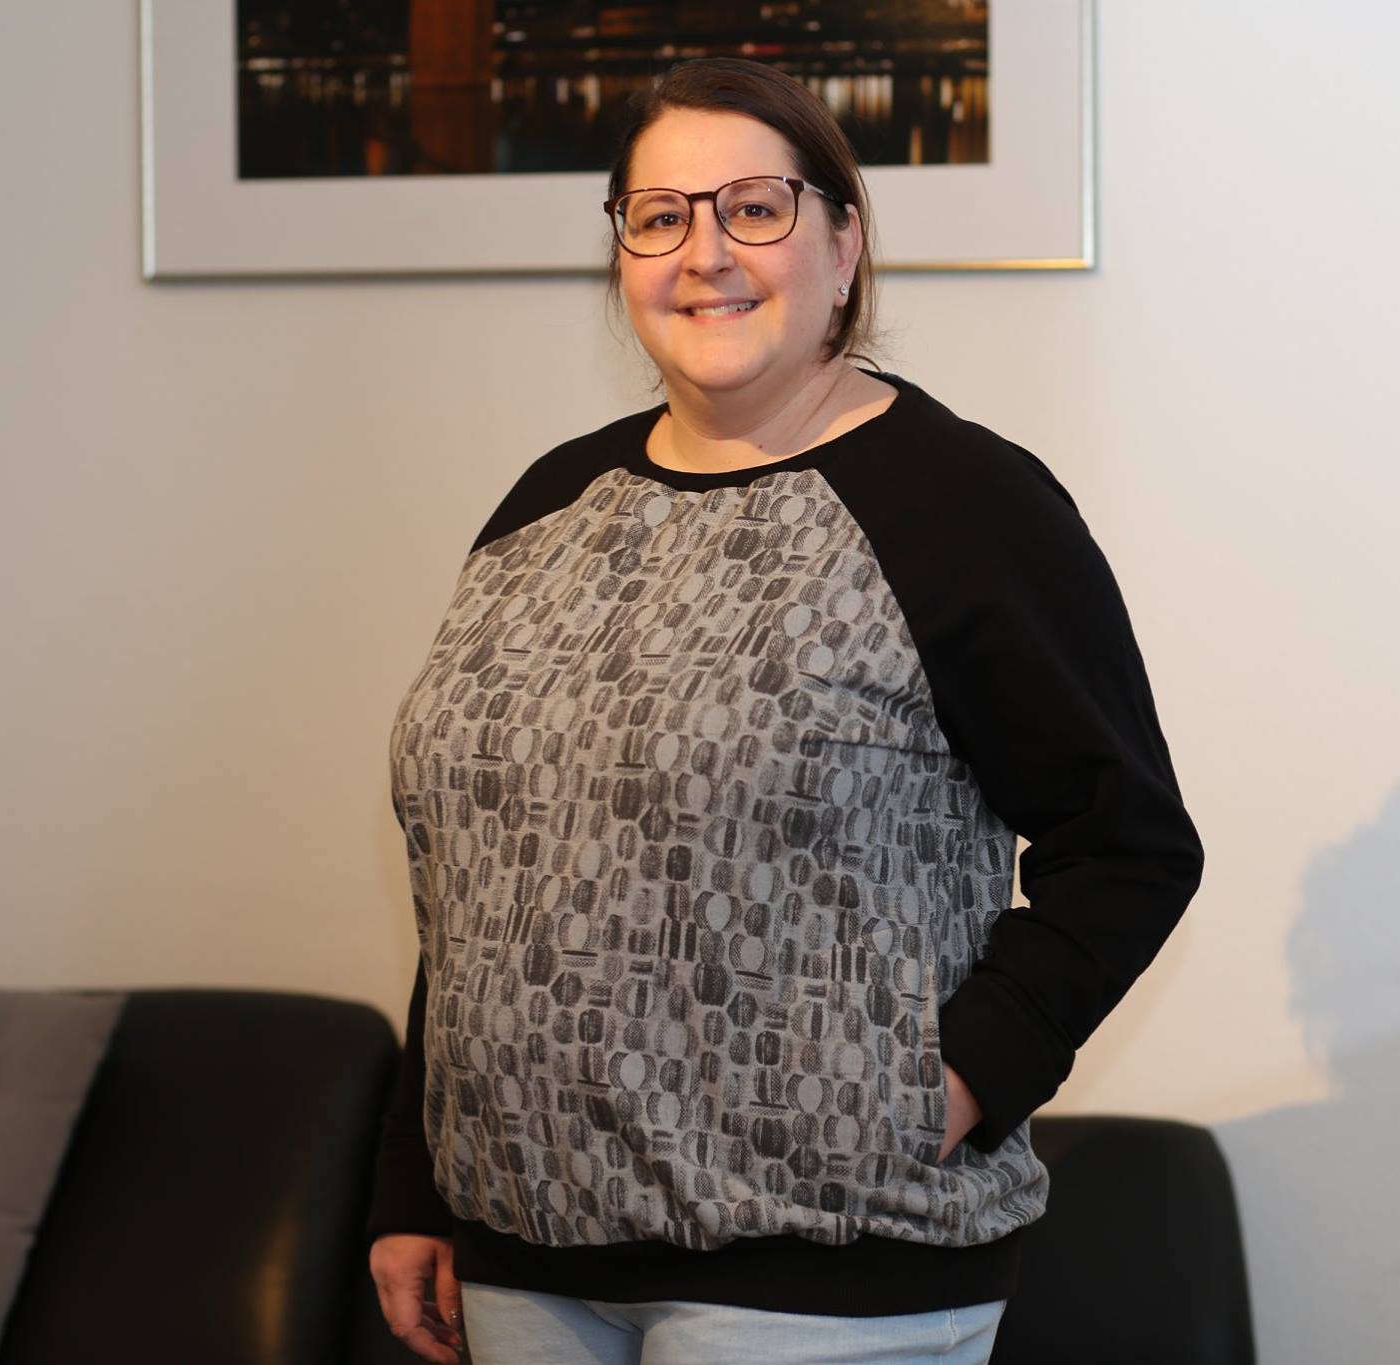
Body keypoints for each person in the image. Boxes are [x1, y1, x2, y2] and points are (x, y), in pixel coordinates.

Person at [366, 57, 1204, 1365]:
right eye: (661, 217)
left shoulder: (965, 506)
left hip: (824, 1263)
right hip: (523, 1248)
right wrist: (415, 1181)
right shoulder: (545, 506)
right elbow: (480, 877)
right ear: (624, 254)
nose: (705, 254)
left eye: (754, 208)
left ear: (844, 241)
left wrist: (951, 1083)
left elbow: (1129, 845)